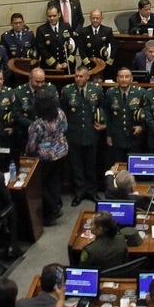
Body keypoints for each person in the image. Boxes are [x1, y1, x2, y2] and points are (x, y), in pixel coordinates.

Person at [61, 64, 105, 205]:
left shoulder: (96, 90)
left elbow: (102, 108)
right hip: (73, 135)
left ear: (87, 76)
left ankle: (92, 192)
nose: (78, 79)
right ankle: (79, 193)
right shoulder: (67, 91)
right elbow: (63, 113)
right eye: (76, 76)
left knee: (91, 165)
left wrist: (103, 123)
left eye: (81, 76)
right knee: (77, 166)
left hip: (91, 134)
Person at [27, 90, 69, 225]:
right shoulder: (60, 113)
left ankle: (53, 209)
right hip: (61, 152)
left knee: (42, 184)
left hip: (45, 158)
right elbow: (65, 128)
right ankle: (56, 204)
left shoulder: (38, 124)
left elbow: (32, 145)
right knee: (54, 181)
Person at [75, 9, 114, 77]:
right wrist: (87, 62)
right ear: (90, 18)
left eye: (97, 18)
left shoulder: (107, 31)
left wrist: (108, 62)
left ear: (101, 18)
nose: (95, 20)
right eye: (93, 18)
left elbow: (113, 47)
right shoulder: (83, 31)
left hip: (103, 64)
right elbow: (81, 49)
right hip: (88, 63)